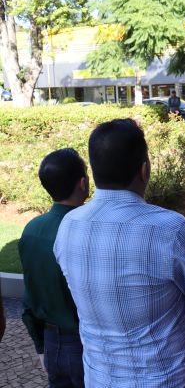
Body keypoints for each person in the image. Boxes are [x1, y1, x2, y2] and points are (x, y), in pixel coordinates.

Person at [54, 119, 185, 387]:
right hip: (171, 375)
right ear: (144, 170)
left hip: (101, 377)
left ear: (93, 173)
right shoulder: (171, 230)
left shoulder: (68, 226)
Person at [20, 148, 89, 387]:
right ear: (83, 183)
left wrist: (41, 346)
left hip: (51, 344)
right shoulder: (86, 231)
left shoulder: (31, 230)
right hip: (85, 345)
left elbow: (29, 297)